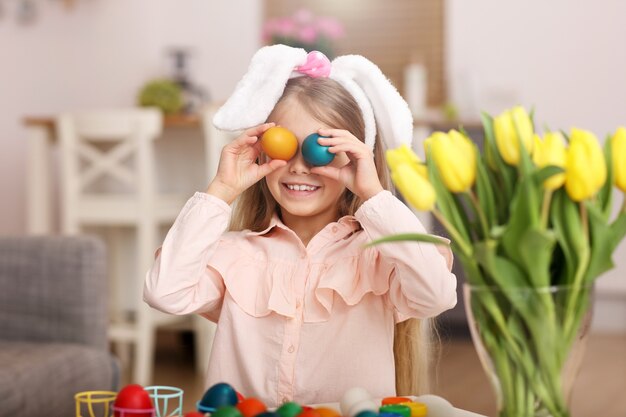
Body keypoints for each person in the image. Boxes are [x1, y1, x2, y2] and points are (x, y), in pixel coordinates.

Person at [144, 44, 457, 407]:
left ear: (357, 158)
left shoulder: (377, 257)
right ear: (261, 152)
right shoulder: (238, 256)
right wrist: (222, 191)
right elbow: (164, 293)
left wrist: (373, 195)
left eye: (318, 147)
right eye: (283, 148)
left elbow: (435, 293)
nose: (298, 167)